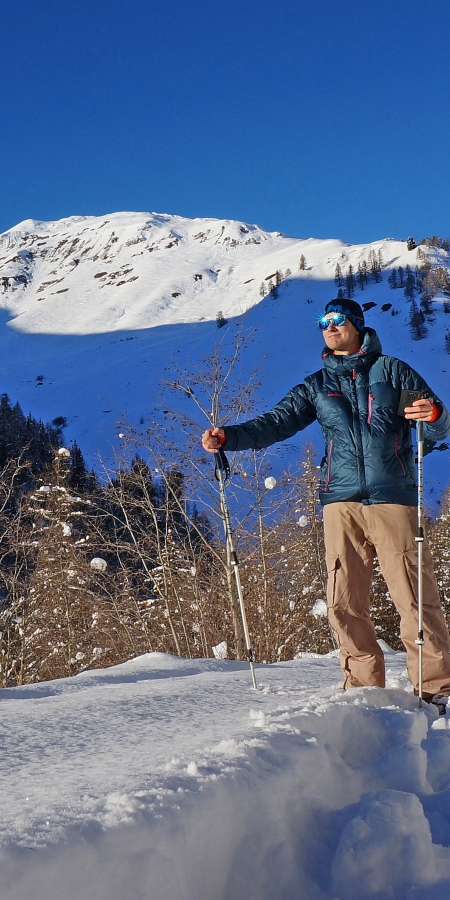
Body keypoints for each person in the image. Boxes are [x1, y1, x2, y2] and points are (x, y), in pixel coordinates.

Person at [202, 298, 450, 704]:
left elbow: (439, 425)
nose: (329, 327)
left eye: (336, 320)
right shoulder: (317, 385)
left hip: (393, 498)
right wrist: (229, 437)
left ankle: (436, 691)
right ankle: (363, 692)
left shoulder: (394, 372)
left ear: (356, 324)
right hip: (340, 502)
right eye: (323, 322)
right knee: (344, 601)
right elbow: (275, 423)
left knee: (415, 599)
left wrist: (434, 414)